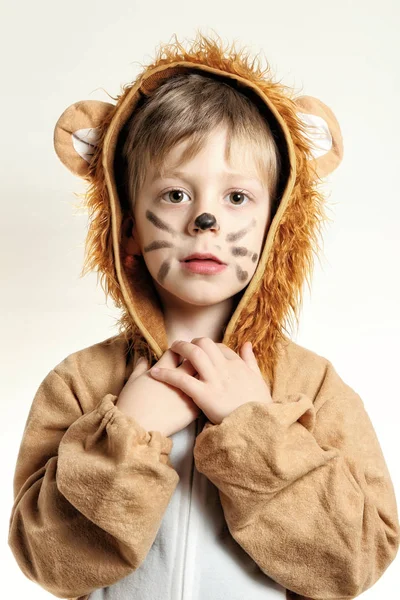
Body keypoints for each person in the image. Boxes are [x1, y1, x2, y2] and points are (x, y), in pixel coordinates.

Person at [8, 31, 399, 600]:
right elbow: (48, 562)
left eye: (237, 198)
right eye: (174, 195)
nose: (205, 220)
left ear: (276, 225)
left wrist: (254, 429)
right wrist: (125, 437)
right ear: (129, 226)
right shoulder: (80, 384)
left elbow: (354, 563)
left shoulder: (312, 387)